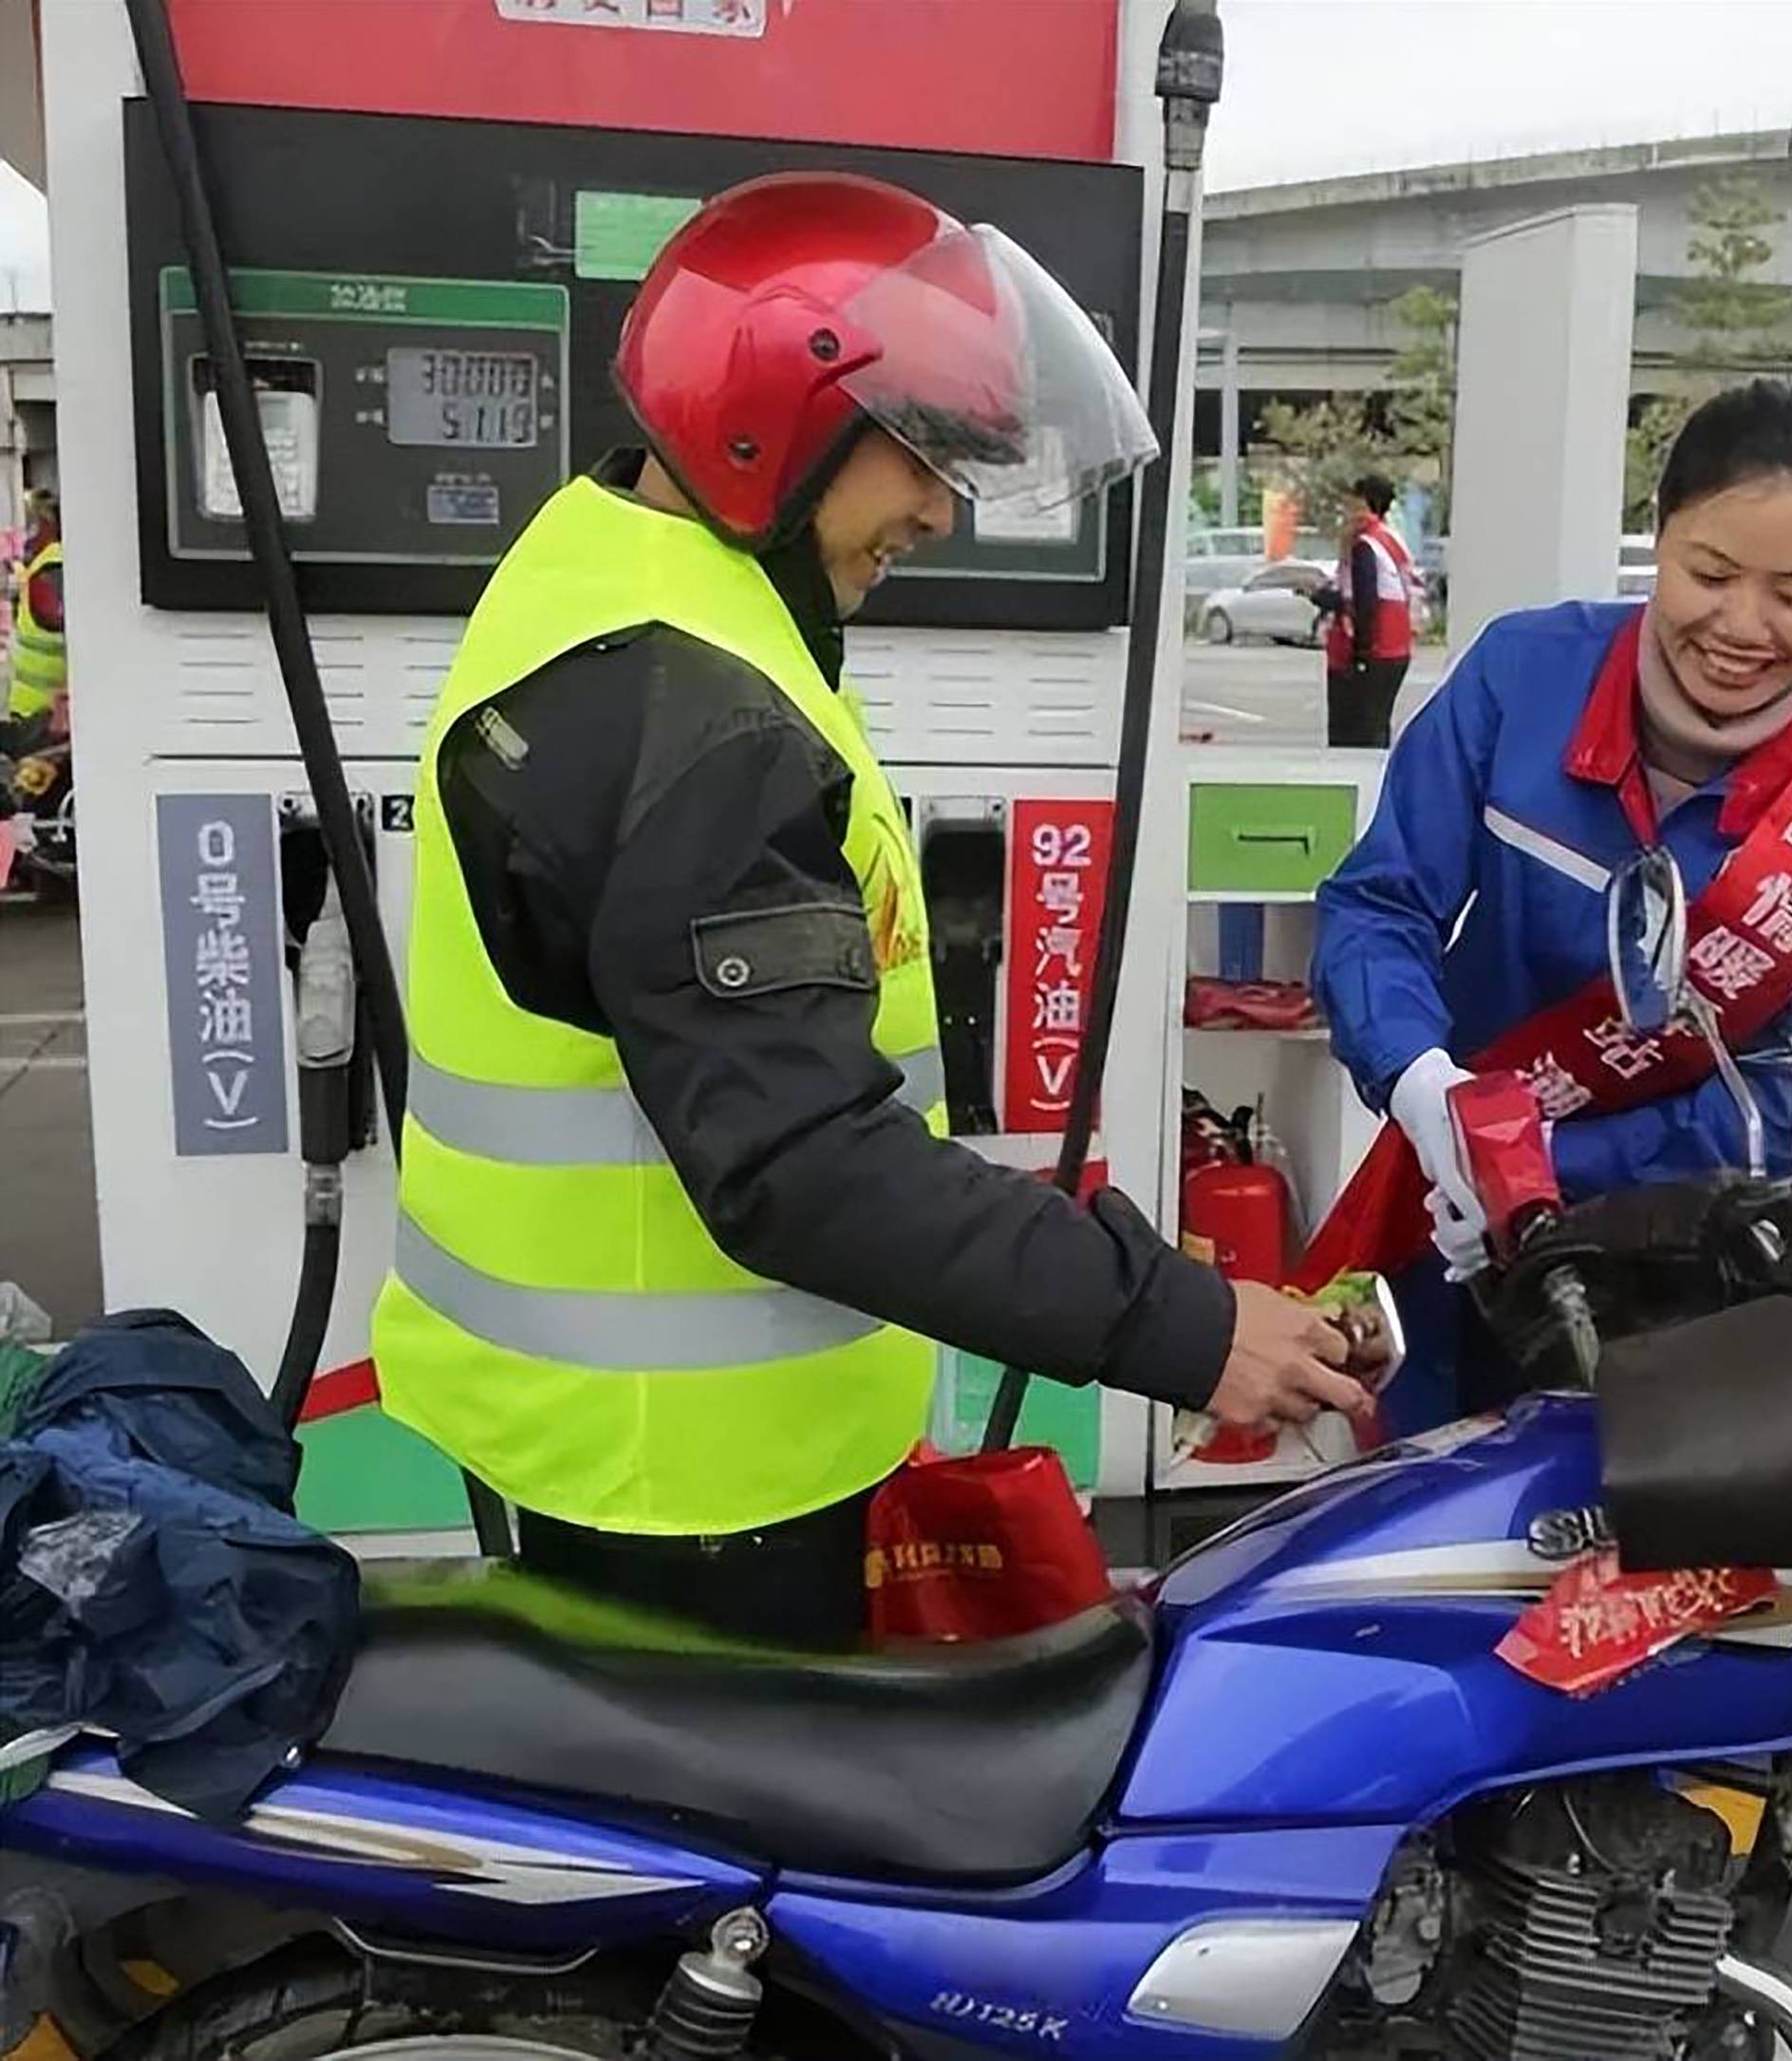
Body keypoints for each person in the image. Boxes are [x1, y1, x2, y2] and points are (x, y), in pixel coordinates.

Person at [370, 174, 1363, 1643]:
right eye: (922, 450)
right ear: (772, 418)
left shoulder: (601, 577)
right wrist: (1186, 1327)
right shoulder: (702, 716)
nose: (942, 510)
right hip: (693, 1485)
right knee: (735, 1861)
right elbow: (806, 1163)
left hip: (597, 1435)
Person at [1306, 380, 1792, 1423]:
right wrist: (1425, 1086)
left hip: (1694, 1294)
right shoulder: (1525, 673)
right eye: (1710, 572)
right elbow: (1381, 903)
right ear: (1658, 538)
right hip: (1452, 1228)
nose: (1742, 624)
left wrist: (1544, 1161)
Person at [1323, 473, 1419, 747]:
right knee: (1377, 729)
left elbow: (1365, 601)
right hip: (1396, 648)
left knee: (1355, 738)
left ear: (1365, 503)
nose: (1346, 508)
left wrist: (1359, 655)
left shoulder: (1364, 544)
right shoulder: (1391, 539)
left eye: (1352, 501)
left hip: (1373, 649)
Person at [5, 489, 65, 759]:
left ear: (47, 525)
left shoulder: (53, 570)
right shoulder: (47, 567)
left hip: (49, 722)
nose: (25, 536)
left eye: (31, 525)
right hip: (41, 718)